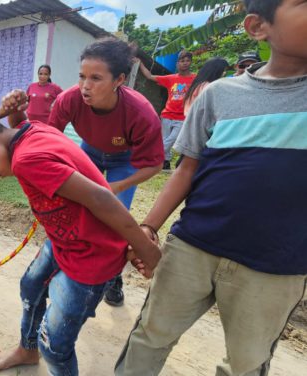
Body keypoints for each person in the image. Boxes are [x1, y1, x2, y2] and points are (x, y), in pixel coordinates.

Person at [115, 0, 307, 374]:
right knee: (150, 336)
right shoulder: (220, 95)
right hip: (192, 248)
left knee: (247, 362)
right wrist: (148, 227)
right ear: (257, 27)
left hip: (275, 265)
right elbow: (186, 170)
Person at [0, 109, 161, 375]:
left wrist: (145, 248)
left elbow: (100, 198)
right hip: (64, 241)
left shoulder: (26, 160)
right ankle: (27, 349)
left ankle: (41, 350)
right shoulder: (30, 131)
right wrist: (14, 113)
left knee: (55, 346)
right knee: (31, 286)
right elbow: (20, 132)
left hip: (89, 258)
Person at [0, 38, 163, 335]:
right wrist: (12, 114)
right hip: (87, 149)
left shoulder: (141, 112)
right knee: (75, 210)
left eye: (96, 78)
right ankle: (64, 260)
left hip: (123, 162)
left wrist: (116, 186)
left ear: (120, 80)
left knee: (113, 219)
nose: (85, 86)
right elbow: (44, 136)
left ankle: (112, 281)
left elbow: (153, 165)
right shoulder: (70, 99)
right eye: (82, 76)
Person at [138, 50, 196, 170]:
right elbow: (149, 76)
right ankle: (165, 163)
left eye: (187, 61)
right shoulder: (171, 78)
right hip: (167, 115)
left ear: (190, 63)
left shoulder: (195, 79)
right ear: (177, 63)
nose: (185, 63)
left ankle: (148, 156)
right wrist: (140, 64)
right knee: (165, 140)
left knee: (171, 140)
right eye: (182, 61)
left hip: (182, 117)